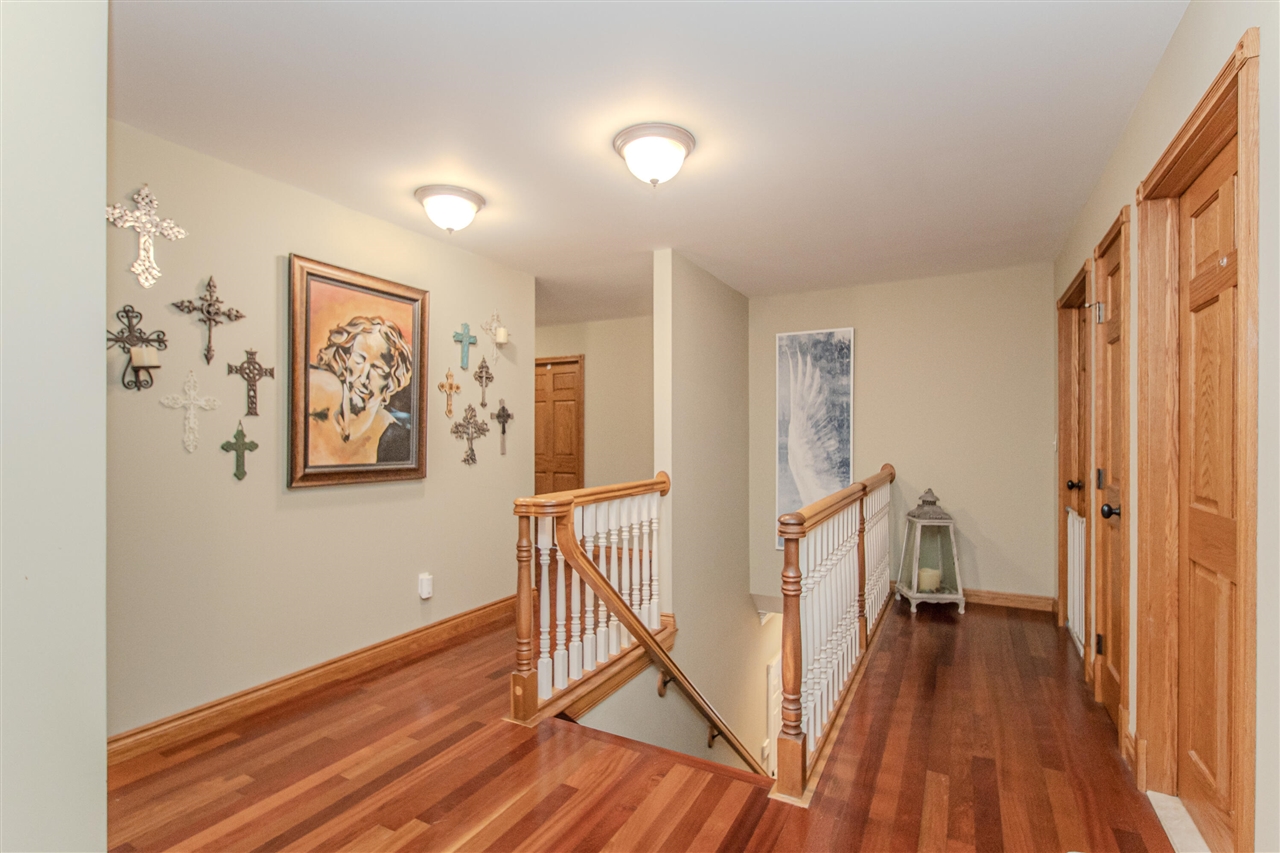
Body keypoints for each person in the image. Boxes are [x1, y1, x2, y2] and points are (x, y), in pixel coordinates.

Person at [307, 316, 412, 466]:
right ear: (344, 359)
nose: (363, 377)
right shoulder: (317, 413)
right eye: (359, 360)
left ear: (391, 380)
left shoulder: (396, 440)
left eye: (378, 368)